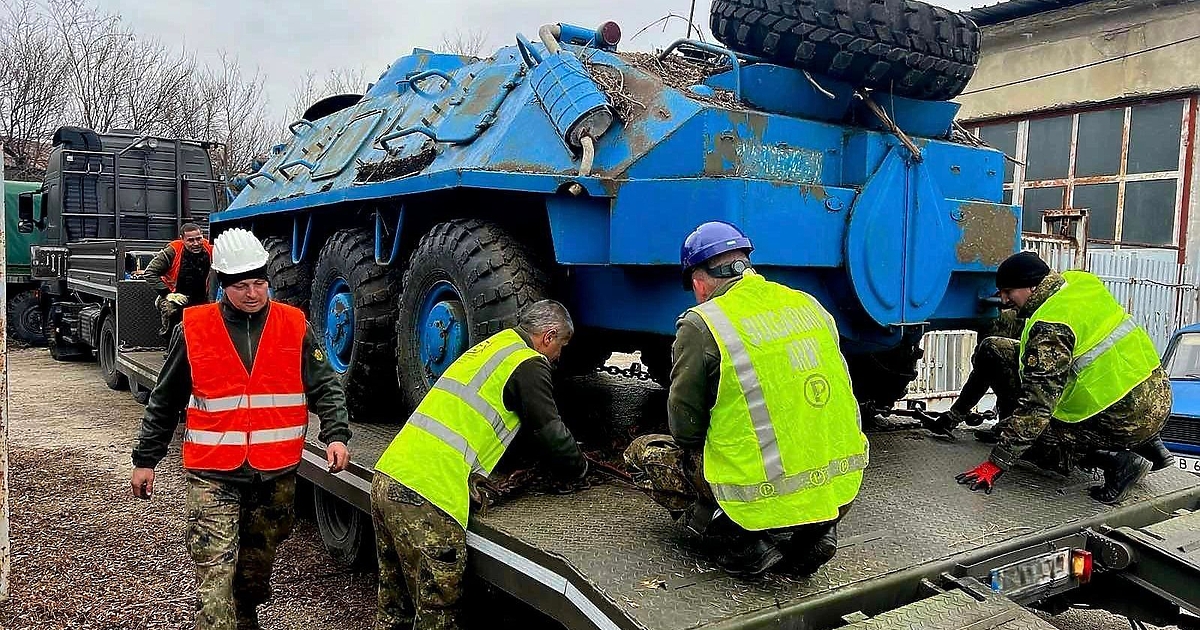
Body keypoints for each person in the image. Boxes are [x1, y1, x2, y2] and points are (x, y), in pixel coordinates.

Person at [131, 228, 351, 630]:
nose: (252, 293)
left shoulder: (294, 325)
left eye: (259, 283)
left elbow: (324, 385)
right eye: (242, 286)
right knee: (214, 585)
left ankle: (246, 614)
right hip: (213, 473)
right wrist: (146, 460)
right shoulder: (193, 329)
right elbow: (165, 400)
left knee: (253, 573)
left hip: (274, 475)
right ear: (222, 285)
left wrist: (336, 433)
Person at [624, 221, 867, 577]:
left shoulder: (704, 322)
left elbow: (686, 431)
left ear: (698, 282)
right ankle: (816, 531)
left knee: (643, 453)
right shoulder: (809, 305)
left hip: (755, 496)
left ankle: (740, 540)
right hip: (840, 486)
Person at [371, 299, 588, 630]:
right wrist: (579, 467)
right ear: (548, 336)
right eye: (561, 345)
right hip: (428, 496)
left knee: (395, 607)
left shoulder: (495, 346)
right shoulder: (528, 363)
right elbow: (550, 431)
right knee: (438, 613)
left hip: (389, 478)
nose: (559, 355)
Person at [956, 251, 1174, 504]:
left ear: (1032, 285)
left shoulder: (1050, 326)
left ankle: (1118, 461)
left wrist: (997, 462)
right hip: (1155, 399)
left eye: (1008, 291)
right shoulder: (1079, 283)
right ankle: (1151, 446)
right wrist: (956, 413)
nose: (1003, 300)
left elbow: (1036, 408)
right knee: (997, 350)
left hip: (1121, 418)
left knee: (1027, 437)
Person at [145, 222, 214, 336]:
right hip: (175, 296)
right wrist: (168, 294)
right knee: (170, 310)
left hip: (201, 297)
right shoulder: (173, 251)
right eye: (191, 240)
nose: (196, 243)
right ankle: (170, 345)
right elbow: (150, 273)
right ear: (182, 239)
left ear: (203, 236)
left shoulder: (209, 248)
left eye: (199, 238)